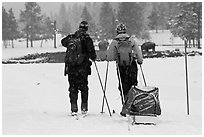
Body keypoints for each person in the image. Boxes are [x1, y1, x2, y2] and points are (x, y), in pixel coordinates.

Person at [106, 23, 143, 116]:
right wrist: (139, 61)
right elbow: (138, 54)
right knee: (133, 85)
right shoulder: (131, 41)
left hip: (121, 67)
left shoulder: (115, 42)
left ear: (117, 31)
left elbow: (110, 57)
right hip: (132, 66)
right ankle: (133, 106)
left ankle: (125, 107)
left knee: (123, 86)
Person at [61, 21, 96, 115]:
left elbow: (63, 42)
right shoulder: (87, 39)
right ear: (87, 29)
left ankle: (73, 107)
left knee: (73, 87)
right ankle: (84, 107)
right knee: (84, 87)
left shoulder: (72, 37)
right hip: (83, 68)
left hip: (71, 67)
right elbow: (92, 54)